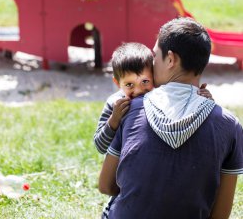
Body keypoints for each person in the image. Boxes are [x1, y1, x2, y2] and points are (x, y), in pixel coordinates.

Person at [98, 17, 243, 219]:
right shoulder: (230, 126)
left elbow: (105, 185)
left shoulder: (129, 108)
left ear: (171, 59)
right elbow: (220, 215)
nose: (151, 62)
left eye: (155, 55)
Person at [95, 41, 212, 218]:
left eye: (145, 81)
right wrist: (114, 121)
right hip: (122, 174)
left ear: (154, 77)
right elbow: (99, 145)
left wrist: (202, 99)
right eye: (129, 85)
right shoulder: (114, 103)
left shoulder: (160, 98)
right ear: (117, 82)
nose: (138, 90)